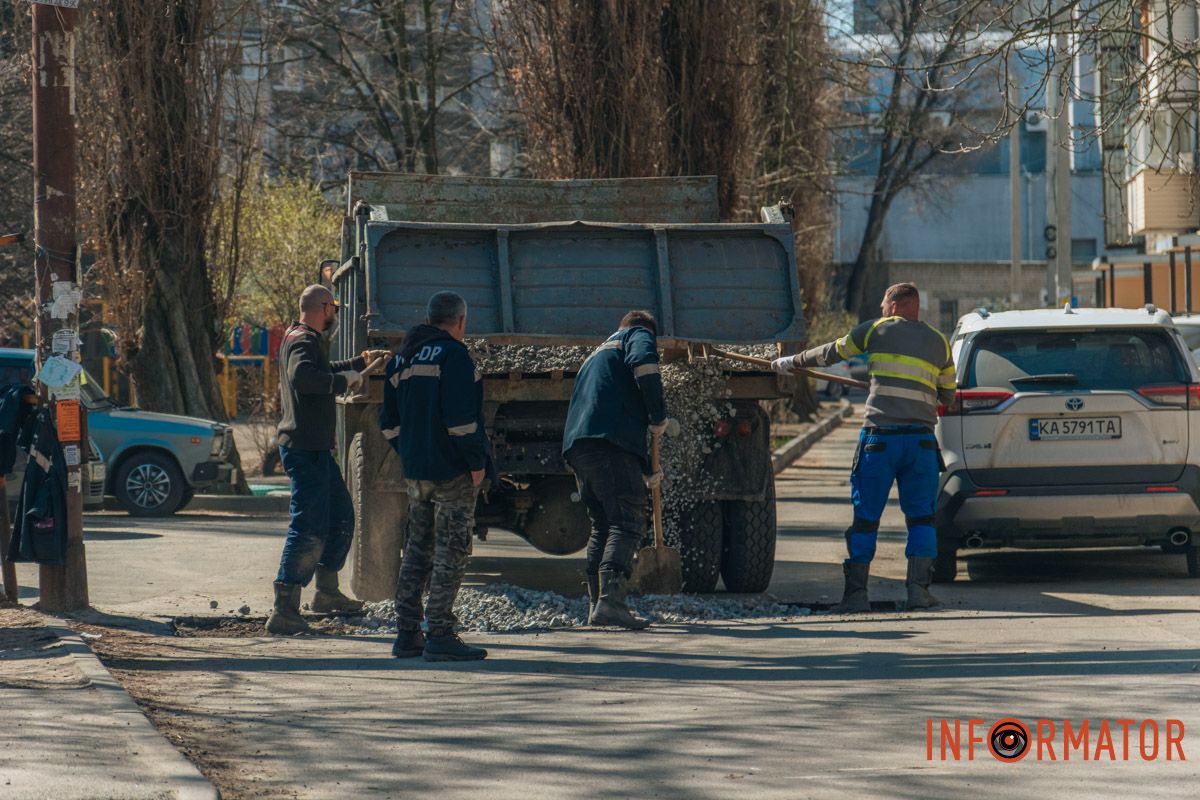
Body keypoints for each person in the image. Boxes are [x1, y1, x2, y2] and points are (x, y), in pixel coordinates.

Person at [772, 283, 955, 612]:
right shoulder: (940, 342)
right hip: (921, 444)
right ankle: (919, 592)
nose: (882, 308)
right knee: (922, 519)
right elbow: (948, 396)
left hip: (880, 440)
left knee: (866, 519)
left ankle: (856, 596)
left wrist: (792, 361)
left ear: (896, 305)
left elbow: (832, 353)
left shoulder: (874, 330)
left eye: (885, 303)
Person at [266, 284, 392, 635]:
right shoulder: (304, 341)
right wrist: (342, 380)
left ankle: (326, 592)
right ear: (323, 307)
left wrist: (356, 364)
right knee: (307, 526)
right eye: (332, 307)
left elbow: (316, 371)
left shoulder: (301, 337)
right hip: (305, 449)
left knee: (340, 518)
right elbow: (305, 378)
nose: (334, 312)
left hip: (314, 448)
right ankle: (284, 609)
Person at [381, 291, 494, 661]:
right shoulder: (455, 356)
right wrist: (477, 463)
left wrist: (413, 453)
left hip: (417, 473)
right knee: (451, 549)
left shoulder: (401, 359)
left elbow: (389, 425)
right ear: (461, 321)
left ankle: (407, 633)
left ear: (430, 318)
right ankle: (441, 632)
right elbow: (462, 423)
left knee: (417, 549)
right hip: (452, 473)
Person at [562, 310, 669, 630]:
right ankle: (611, 602)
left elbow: (612, 402)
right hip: (609, 442)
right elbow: (646, 365)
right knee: (627, 519)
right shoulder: (637, 335)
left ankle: (596, 604)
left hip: (579, 446)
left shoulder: (598, 352)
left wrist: (645, 467)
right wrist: (658, 415)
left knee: (602, 524)